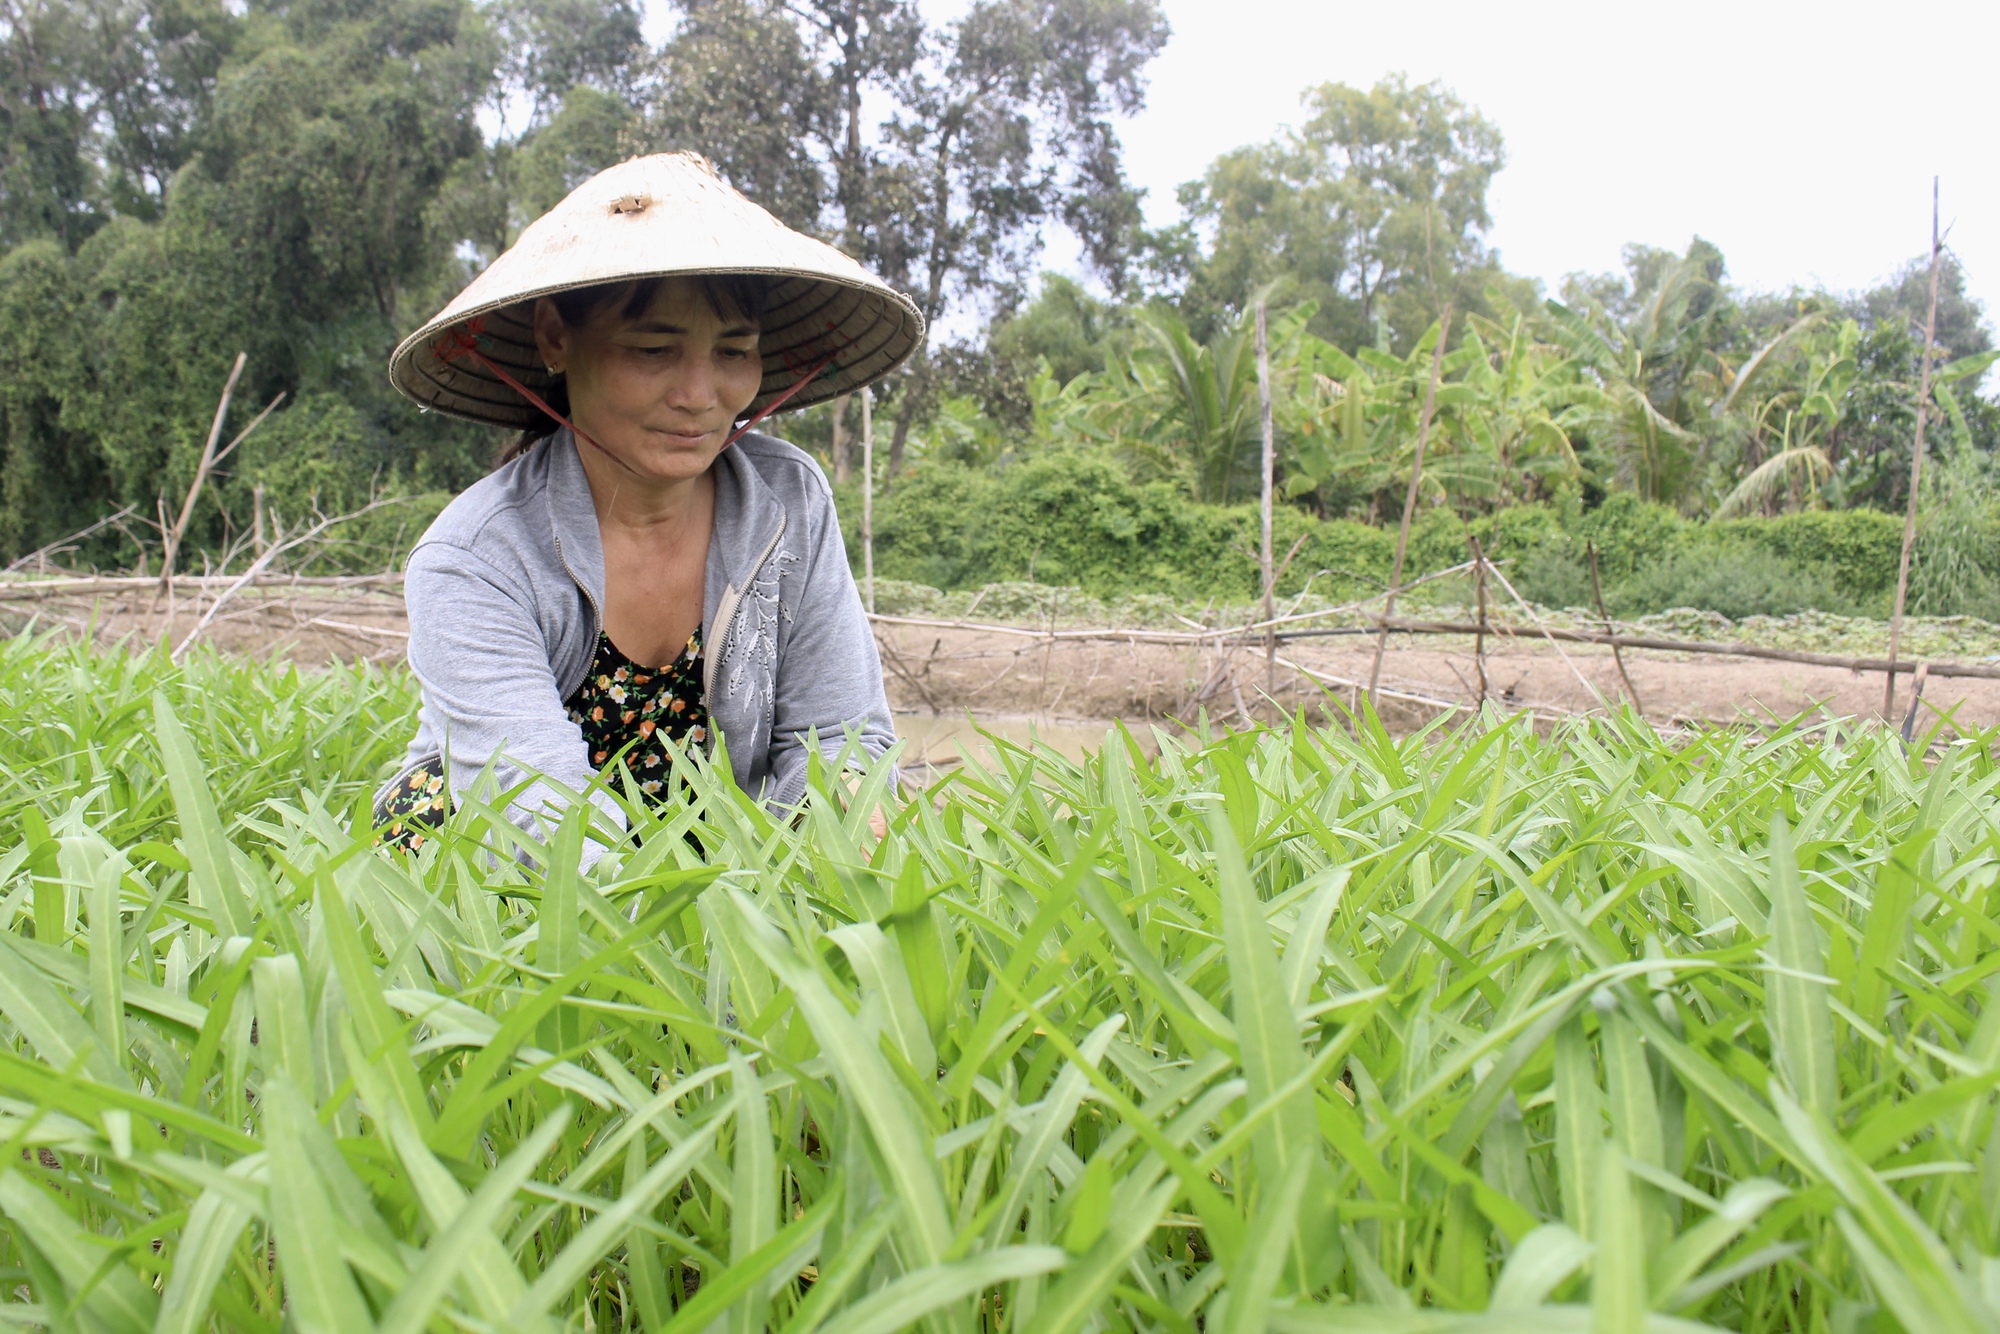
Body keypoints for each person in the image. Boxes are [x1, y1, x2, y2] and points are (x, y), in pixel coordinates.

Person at [373, 151, 922, 859]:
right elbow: (531, 794)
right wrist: (669, 941)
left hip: (716, 835)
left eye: (733, 352)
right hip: (510, 839)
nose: (701, 396)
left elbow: (841, 733)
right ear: (554, 339)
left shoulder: (789, 502)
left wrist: (847, 814)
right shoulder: (476, 556)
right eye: (654, 349)